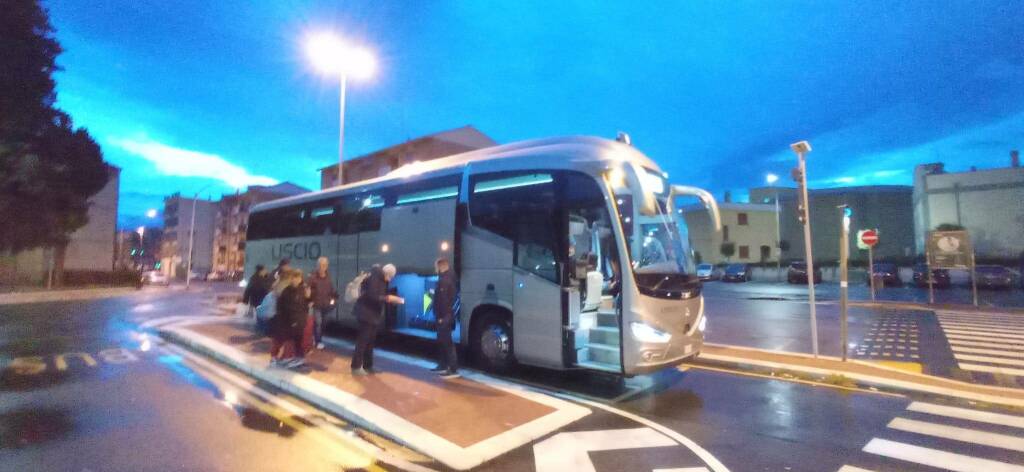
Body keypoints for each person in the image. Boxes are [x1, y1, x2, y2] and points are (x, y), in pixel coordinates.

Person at [351, 263, 403, 376]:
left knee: (370, 341)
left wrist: (389, 299)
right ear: (387, 274)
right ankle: (356, 367)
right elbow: (372, 295)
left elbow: (377, 296)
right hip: (366, 313)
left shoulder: (381, 279)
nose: (390, 279)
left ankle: (368, 366)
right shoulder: (375, 277)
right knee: (363, 341)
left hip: (372, 314)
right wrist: (388, 298)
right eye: (390, 276)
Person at [271, 269, 309, 369]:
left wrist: (309, 298)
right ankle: (275, 357)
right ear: (291, 279)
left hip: (299, 321)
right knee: (282, 339)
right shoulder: (287, 291)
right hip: (288, 321)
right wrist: (291, 320)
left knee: (298, 340)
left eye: (299, 278)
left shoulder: (302, 290)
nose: (296, 280)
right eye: (294, 278)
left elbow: (305, 305)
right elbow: (284, 307)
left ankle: (299, 357)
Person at [431, 258, 459, 378]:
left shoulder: (445, 280)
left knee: (447, 342)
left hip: (444, 316)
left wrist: (442, 317)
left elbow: (445, 301)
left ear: (441, 266)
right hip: (443, 316)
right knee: (442, 341)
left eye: (436, 267)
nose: (435, 269)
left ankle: (452, 368)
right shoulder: (447, 278)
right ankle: (443, 365)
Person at [308, 256, 338, 350]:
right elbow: (308, 290)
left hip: (326, 305)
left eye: (324, 265)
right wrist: (310, 301)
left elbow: (331, 290)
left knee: (323, 323)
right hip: (316, 304)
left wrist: (334, 297)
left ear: (327, 266)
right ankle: (318, 341)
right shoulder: (312, 277)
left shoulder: (328, 277)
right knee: (318, 323)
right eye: (320, 265)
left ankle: (315, 337)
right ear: (317, 265)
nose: (322, 267)